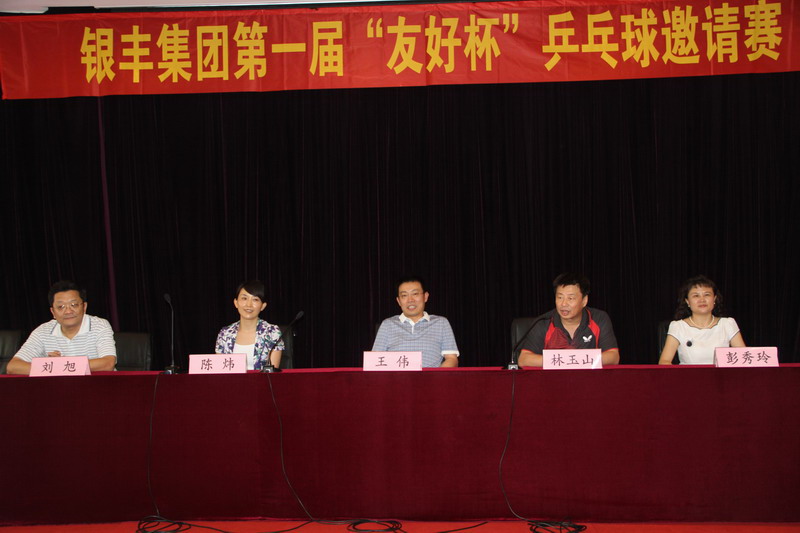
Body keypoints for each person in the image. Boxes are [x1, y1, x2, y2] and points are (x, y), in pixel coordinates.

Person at [6, 280, 117, 375]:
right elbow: (13, 367)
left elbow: (108, 364)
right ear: (53, 312)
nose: (68, 311)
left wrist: (59, 365)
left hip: (96, 386)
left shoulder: (99, 326)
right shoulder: (42, 331)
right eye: (61, 307)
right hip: (58, 388)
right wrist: (53, 366)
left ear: (84, 307)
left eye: (73, 305)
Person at [519, 273, 620, 367]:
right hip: (554, 379)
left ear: (584, 300)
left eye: (570, 298)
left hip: (589, 378)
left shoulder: (599, 318)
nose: (563, 304)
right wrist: (563, 361)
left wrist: (573, 360)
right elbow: (523, 359)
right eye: (560, 297)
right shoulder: (543, 322)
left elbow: (613, 356)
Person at [372, 276, 459, 368]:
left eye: (415, 294)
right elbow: (375, 361)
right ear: (399, 301)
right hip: (396, 377)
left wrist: (436, 376)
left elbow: (451, 359)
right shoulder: (387, 325)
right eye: (404, 295)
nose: (410, 300)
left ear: (425, 297)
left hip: (431, 376)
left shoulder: (441, 323)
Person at [658, 275, 745, 365]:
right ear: (687, 301)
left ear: (714, 299)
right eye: (696, 296)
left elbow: (744, 359)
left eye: (707, 295)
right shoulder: (678, 327)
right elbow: (664, 361)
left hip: (722, 374)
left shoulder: (728, 324)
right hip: (689, 374)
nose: (702, 300)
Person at [215, 280, 284, 370]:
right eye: (244, 298)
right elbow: (220, 371)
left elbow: (272, 374)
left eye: (255, 300)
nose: (249, 305)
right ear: (236, 303)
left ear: (263, 306)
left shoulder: (272, 332)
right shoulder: (225, 333)